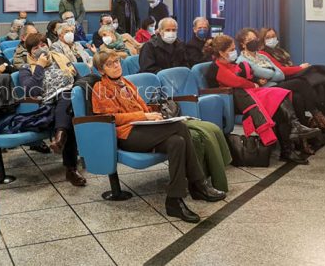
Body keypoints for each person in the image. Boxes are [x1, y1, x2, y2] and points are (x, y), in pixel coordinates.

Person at [91, 50, 225, 223]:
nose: (116, 65)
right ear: (101, 70)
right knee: (180, 127)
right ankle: (198, 184)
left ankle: (174, 200)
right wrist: (144, 117)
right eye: (110, 64)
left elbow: (143, 108)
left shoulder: (126, 83)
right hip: (126, 135)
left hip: (143, 130)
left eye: (117, 61)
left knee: (177, 142)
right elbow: (110, 118)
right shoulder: (99, 88)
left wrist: (153, 116)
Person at [204, 35, 320, 164]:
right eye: (231, 49)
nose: (234, 52)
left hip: (248, 94)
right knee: (277, 98)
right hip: (235, 100)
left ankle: (294, 130)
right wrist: (253, 84)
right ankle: (290, 145)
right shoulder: (217, 68)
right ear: (221, 53)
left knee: (280, 95)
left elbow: (245, 76)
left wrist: (255, 81)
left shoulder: (230, 63)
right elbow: (237, 81)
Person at [236, 28, 325, 135]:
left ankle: (304, 136)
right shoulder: (242, 60)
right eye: (249, 39)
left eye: (255, 38)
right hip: (266, 91)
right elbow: (269, 73)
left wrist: (269, 73)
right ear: (242, 43)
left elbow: (280, 74)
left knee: (298, 97)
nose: (253, 41)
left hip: (277, 85)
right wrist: (270, 73)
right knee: (300, 82)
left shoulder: (262, 56)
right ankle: (319, 118)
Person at [19, 33, 86, 186]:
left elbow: (79, 79)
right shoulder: (26, 68)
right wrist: (39, 67)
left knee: (68, 95)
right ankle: (70, 168)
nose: (41, 49)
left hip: (70, 98)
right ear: (30, 53)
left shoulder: (60, 58)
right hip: (47, 106)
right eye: (36, 48)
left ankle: (60, 137)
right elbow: (32, 91)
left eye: (43, 45)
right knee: (70, 114)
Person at [258, 27, 325, 114]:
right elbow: (281, 71)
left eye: (273, 36)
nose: (272, 39)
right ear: (263, 40)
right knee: (314, 71)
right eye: (268, 37)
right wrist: (300, 68)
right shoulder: (263, 54)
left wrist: (299, 68)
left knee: (321, 85)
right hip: (281, 80)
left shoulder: (280, 51)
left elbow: (288, 68)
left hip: (290, 77)